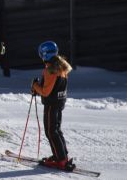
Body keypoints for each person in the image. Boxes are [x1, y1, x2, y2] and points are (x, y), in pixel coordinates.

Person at [32, 41, 75, 171]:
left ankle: (60, 160)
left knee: (51, 131)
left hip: (51, 104)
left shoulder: (50, 70)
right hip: (59, 102)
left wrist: (35, 86)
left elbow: (45, 91)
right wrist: (39, 87)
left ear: (44, 54)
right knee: (56, 130)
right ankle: (61, 156)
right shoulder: (62, 67)